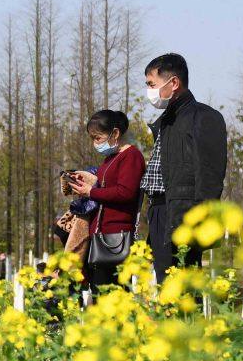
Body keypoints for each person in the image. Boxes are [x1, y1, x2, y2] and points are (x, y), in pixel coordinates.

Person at [137, 53, 229, 265]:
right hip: (160, 212)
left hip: (184, 215)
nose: (149, 91)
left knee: (183, 288)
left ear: (174, 82)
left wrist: (199, 223)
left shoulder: (203, 117)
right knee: (165, 285)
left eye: (152, 84)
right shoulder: (166, 121)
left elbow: (210, 176)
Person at [64, 109, 145, 287]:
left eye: (98, 138)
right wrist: (85, 184)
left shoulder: (131, 156)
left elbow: (125, 192)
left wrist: (91, 192)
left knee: (113, 293)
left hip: (117, 236)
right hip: (100, 233)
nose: (95, 143)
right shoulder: (110, 158)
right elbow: (105, 188)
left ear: (115, 133)